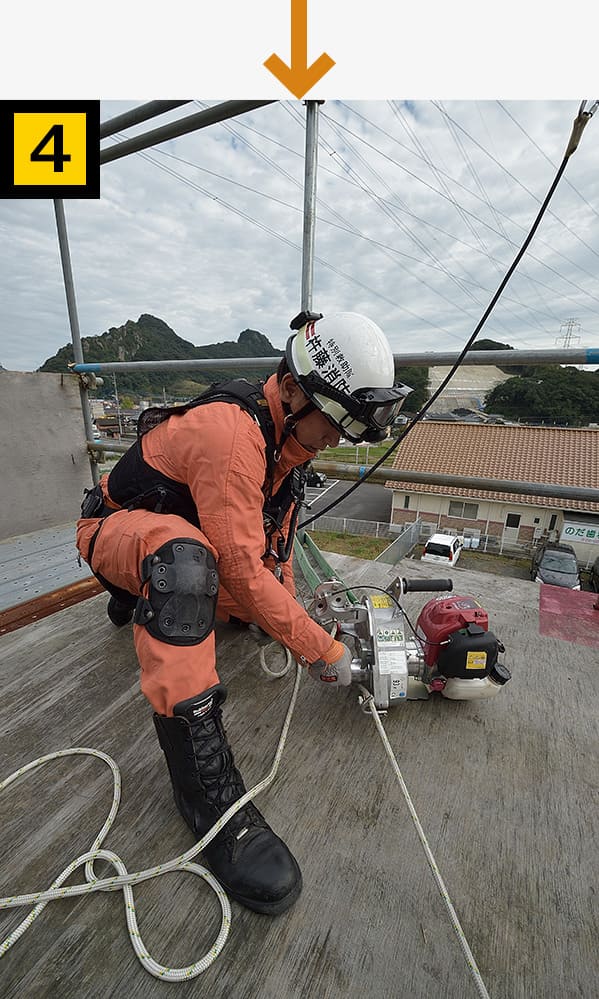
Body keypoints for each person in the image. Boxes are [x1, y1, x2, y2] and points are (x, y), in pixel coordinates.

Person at [76, 311, 409, 916]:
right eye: (332, 426)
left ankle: (139, 597)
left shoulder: (284, 448)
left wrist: (298, 623)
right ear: (298, 392)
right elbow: (240, 567)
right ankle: (209, 796)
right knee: (185, 565)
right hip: (112, 533)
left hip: (168, 535)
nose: (334, 441)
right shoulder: (233, 437)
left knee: (237, 593)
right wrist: (325, 651)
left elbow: (269, 561)